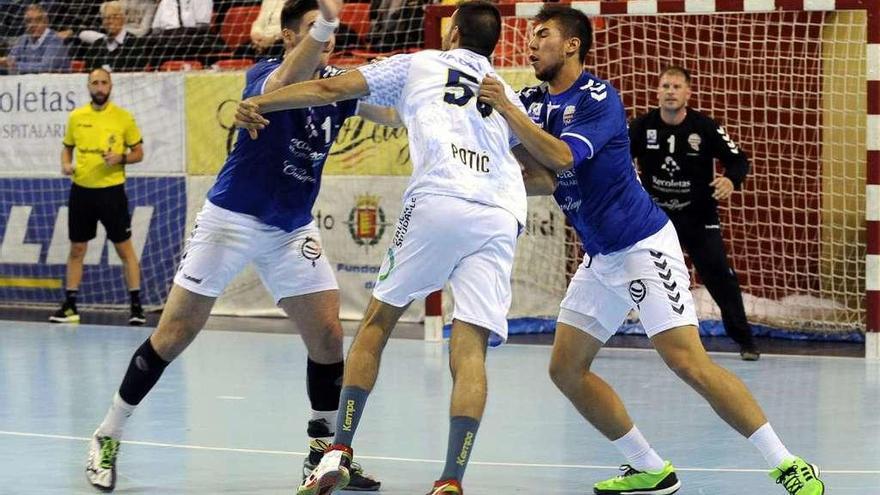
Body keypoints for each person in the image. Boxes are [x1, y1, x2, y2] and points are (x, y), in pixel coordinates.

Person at [477, 5, 825, 495]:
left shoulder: (599, 98)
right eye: (530, 36)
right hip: (601, 257)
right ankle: (650, 468)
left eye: (543, 34)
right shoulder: (533, 101)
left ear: (572, 44)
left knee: (688, 362)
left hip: (641, 244)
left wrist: (507, 110)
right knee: (565, 369)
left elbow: (559, 155)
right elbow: (541, 177)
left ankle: (787, 464)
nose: (531, 44)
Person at [83, 0, 395, 491]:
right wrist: (329, 21)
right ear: (289, 37)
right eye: (314, 29)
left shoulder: (339, 86)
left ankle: (325, 453)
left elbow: (395, 115)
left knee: (329, 337)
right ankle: (107, 434)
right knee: (176, 331)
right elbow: (291, 79)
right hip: (232, 219)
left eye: (329, 29)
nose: (326, 37)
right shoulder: (267, 74)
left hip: (291, 227)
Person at [234, 2, 530, 493]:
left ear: (451, 33)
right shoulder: (506, 93)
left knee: (376, 324)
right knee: (471, 350)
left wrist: (261, 102)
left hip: (440, 196)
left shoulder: (423, 61)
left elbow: (330, 87)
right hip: (501, 213)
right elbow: (539, 163)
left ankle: (339, 451)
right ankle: (451, 480)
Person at [630, 66, 759, 361]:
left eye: (676, 87)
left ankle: (746, 341)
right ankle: (603, 334)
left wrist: (730, 180)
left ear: (688, 93)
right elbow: (617, 157)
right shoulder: (642, 127)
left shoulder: (704, 127)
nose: (670, 92)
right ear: (657, 92)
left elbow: (738, 160)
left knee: (719, 275)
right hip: (656, 218)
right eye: (665, 86)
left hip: (698, 216)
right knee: (625, 268)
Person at [51, 68, 146, 327]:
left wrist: (121, 158)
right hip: (81, 191)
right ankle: (70, 306)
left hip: (111, 191)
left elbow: (139, 152)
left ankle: (136, 307)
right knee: (77, 249)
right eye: (95, 83)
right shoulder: (76, 116)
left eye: (104, 82)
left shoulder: (123, 118)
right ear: (88, 86)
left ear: (111, 86)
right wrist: (66, 164)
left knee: (124, 249)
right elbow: (66, 149)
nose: (100, 87)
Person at [78, 1, 148, 72]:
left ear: (123, 19)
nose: (110, 21)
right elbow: (88, 75)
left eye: (115, 17)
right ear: (102, 21)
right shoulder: (96, 46)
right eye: (107, 18)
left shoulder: (136, 45)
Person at [0, 3, 69, 74]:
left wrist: (14, 65)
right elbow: (10, 61)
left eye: (38, 20)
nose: (32, 25)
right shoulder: (23, 39)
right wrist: (3, 63)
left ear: (46, 21)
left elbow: (46, 67)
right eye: (28, 21)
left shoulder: (55, 39)